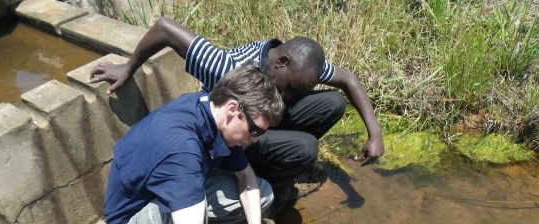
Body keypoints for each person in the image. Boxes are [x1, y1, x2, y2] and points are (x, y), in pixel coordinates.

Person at [89, 17, 385, 192]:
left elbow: (348, 80)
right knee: (306, 147)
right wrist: (128, 68)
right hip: (234, 136)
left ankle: (281, 159)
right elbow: (165, 28)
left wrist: (375, 134)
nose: (292, 97)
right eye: (291, 90)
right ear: (281, 62)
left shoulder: (301, 68)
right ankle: (270, 186)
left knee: (333, 101)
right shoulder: (228, 67)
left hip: (264, 118)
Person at [103, 63, 308, 224]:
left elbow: (246, 176)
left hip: (167, 188)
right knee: (187, 220)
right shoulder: (181, 150)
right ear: (233, 108)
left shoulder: (210, 111)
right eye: (254, 130)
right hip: (129, 222)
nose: (254, 139)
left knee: (262, 192)